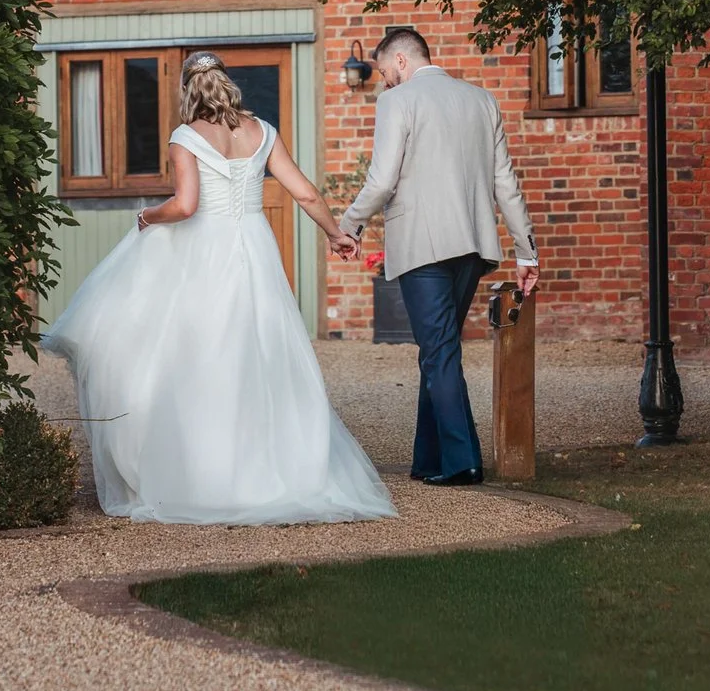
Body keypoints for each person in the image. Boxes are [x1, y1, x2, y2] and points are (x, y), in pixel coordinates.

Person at [38, 53, 393, 525]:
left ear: (188, 89)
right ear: (227, 84)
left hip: (205, 252)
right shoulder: (263, 131)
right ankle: (277, 469)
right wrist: (335, 232)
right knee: (263, 352)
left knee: (202, 356)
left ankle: (207, 474)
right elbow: (305, 193)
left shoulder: (184, 137)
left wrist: (146, 216)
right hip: (255, 248)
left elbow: (185, 206)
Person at [334, 27, 538, 486]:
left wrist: (348, 225)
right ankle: (428, 459)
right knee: (439, 348)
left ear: (402, 61)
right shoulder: (481, 100)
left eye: (386, 71)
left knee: (439, 350)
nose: (385, 81)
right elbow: (505, 182)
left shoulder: (397, 102)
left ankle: (464, 461)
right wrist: (527, 253)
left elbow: (383, 179)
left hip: (422, 245)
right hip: (472, 247)